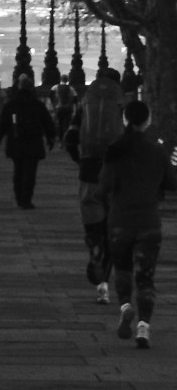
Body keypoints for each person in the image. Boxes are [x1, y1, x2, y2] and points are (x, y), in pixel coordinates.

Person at [99, 99, 177, 348]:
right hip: (149, 223)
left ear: (125, 120)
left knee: (122, 270)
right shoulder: (157, 151)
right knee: (146, 278)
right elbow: (172, 183)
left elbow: (105, 186)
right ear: (148, 120)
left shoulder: (115, 150)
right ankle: (143, 327)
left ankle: (125, 306)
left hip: (120, 221)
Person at [65, 65, 125, 304]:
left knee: (94, 226)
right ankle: (103, 285)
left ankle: (95, 246)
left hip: (89, 173)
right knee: (114, 231)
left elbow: (70, 140)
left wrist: (80, 161)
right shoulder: (123, 108)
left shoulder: (84, 109)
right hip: (116, 177)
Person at [0, 72, 57, 208]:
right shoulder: (37, 105)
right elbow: (47, 123)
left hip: (16, 142)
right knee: (30, 173)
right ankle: (26, 199)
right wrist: (51, 138)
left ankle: (19, 198)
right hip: (33, 143)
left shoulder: (10, 105)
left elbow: (2, 127)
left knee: (18, 171)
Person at [52, 78, 80, 142]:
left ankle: (60, 138)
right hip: (68, 109)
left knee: (60, 124)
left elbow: (52, 96)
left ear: (60, 80)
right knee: (66, 124)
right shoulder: (71, 88)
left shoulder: (55, 87)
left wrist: (54, 106)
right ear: (67, 80)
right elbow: (75, 98)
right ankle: (66, 138)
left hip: (59, 108)